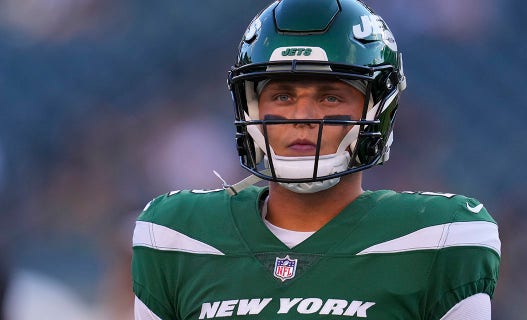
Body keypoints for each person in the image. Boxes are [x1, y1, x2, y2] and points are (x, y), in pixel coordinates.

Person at [131, 0, 501, 319]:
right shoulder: (177, 237)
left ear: (375, 109)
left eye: (330, 98)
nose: (302, 116)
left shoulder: (437, 239)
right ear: (251, 107)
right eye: (282, 96)